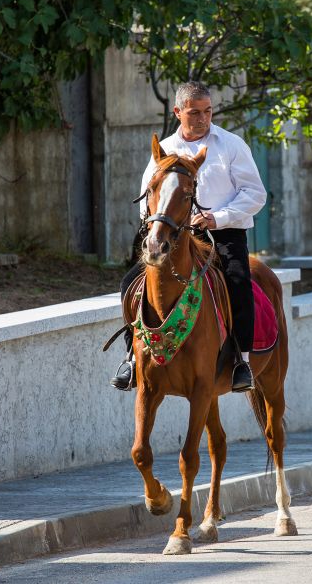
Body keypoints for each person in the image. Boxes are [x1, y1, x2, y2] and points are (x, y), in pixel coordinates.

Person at [110, 81, 267, 393]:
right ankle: (131, 357)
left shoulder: (232, 145)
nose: (203, 118)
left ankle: (241, 361)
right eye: (195, 112)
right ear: (178, 112)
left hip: (223, 233)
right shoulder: (164, 150)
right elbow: (147, 195)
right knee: (130, 283)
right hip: (175, 237)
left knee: (237, 281)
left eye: (208, 111)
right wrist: (157, 225)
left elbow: (255, 193)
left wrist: (216, 217)